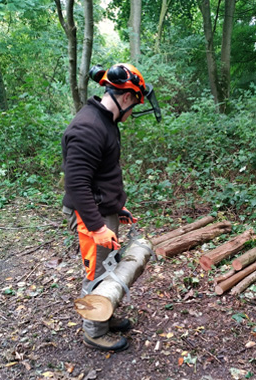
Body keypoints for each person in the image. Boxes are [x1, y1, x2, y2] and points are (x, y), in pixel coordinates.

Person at [61, 63, 161, 352]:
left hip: (102, 211)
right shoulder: (88, 127)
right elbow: (77, 185)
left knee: (109, 268)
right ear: (126, 97)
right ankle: (93, 331)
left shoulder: (105, 121)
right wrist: (97, 226)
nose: (132, 113)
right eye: (135, 104)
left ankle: (106, 314)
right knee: (97, 272)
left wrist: (117, 208)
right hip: (89, 214)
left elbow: (102, 175)